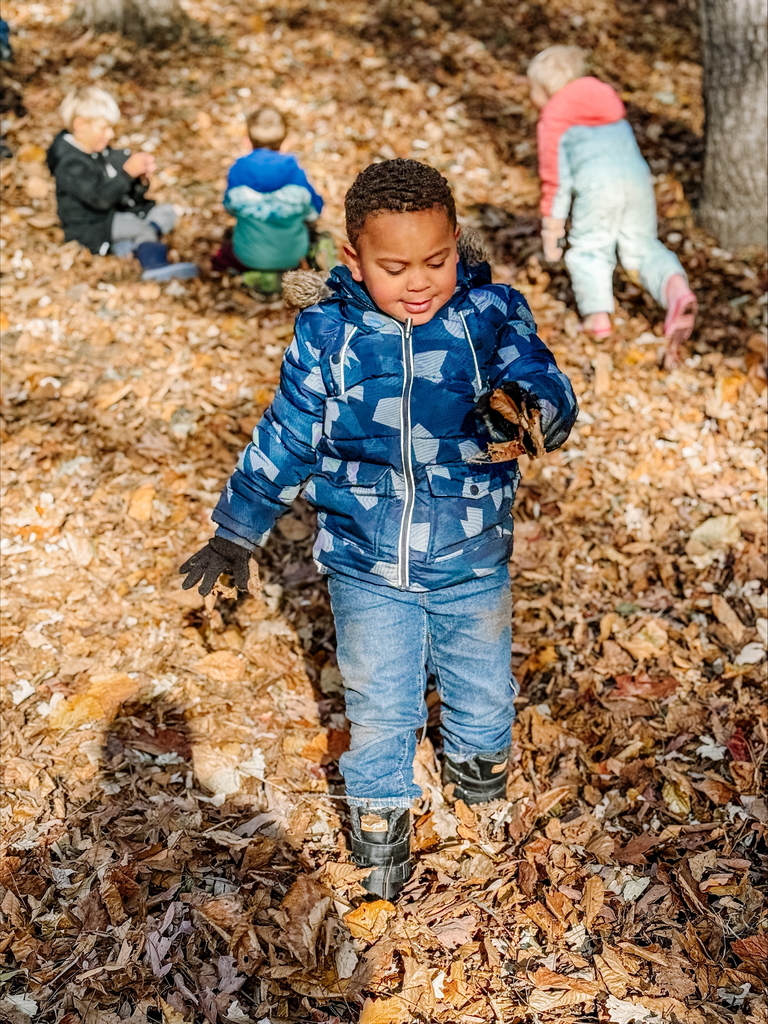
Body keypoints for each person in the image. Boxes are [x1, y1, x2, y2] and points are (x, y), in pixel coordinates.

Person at [180, 160, 578, 899]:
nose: (420, 282)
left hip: (472, 551)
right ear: (354, 260)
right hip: (367, 560)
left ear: (457, 243)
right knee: (381, 698)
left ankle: (480, 777)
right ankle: (380, 819)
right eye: (395, 268)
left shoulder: (488, 316)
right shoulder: (329, 333)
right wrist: (236, 528)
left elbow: (548, 380)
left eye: (436, 260)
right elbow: (290, 433)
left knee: (483, 688)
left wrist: (529, 408)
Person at [528, 45, 697, 367]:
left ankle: (597, 317)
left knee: (589, 249)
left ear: (546, 88)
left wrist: (552, 227)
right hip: (637, 182)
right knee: (641, 246)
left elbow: (555, 179)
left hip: (597, 188)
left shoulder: (554, 117)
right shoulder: (607, 101)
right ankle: (676, 289)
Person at [46, 86, 197, 281]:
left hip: (115, 214)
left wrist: (139, 180)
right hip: (92, 226)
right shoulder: (69, 164)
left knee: (165, 212)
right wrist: (126, 174)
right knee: (139, 225)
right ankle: (153, 263)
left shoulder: (103, 152)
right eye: (103, 128)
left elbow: (129, 196)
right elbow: (100, 199)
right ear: (80, 125)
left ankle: (132, 243)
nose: (109, 135)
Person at [214, 105, 331, 295]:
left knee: (227, 238)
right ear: (286, 143)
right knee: (318, 235)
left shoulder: (237, 172)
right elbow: (313, 214)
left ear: (247, 142)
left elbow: (229, 208)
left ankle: (249, 277)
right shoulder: (297, 175)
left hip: (246, 256)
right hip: (293, 256)